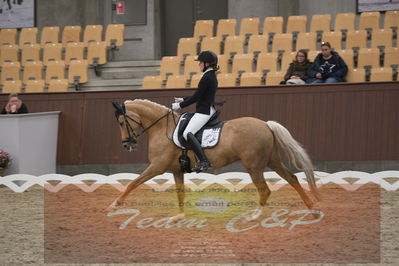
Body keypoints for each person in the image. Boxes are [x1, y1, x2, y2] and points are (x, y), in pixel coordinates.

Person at [172, 50, 219, 172]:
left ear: (206, 63)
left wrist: (180, 105)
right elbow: (199, 95)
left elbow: (197, 97)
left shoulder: (207, 77)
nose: (198, 65)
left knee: (187, 133)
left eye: (200, 63)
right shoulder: (210, 75)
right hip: (207, 108)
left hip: (204, 111)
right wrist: (182, 99)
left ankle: (204, 161)